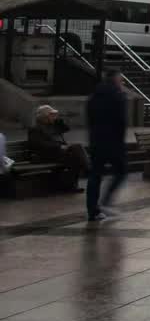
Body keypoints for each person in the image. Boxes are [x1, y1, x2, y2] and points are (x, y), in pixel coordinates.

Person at [86, 70, 129, 222]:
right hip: (113, 142)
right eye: (121, 79)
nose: (122, 82)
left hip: (96, 141)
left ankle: (93, 211)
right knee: (121, 171)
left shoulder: (93, 97)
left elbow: (90, 120)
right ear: (116, 80)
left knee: (95, 175)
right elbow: (121, 121)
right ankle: (105, 201)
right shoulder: (118, 96)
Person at [28, 105, 89, 191]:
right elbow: (38, 144)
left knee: (75, 156)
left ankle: (73, 185)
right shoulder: (35, 128)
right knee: (76, 149)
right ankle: (88, 169)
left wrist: (58, 120)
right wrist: (59, 146)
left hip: (58, 153)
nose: (54, 117)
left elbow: (67, 128)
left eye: (54, 115)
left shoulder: (53, 125)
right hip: (45, 155)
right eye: (51, 115)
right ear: (44, 116)